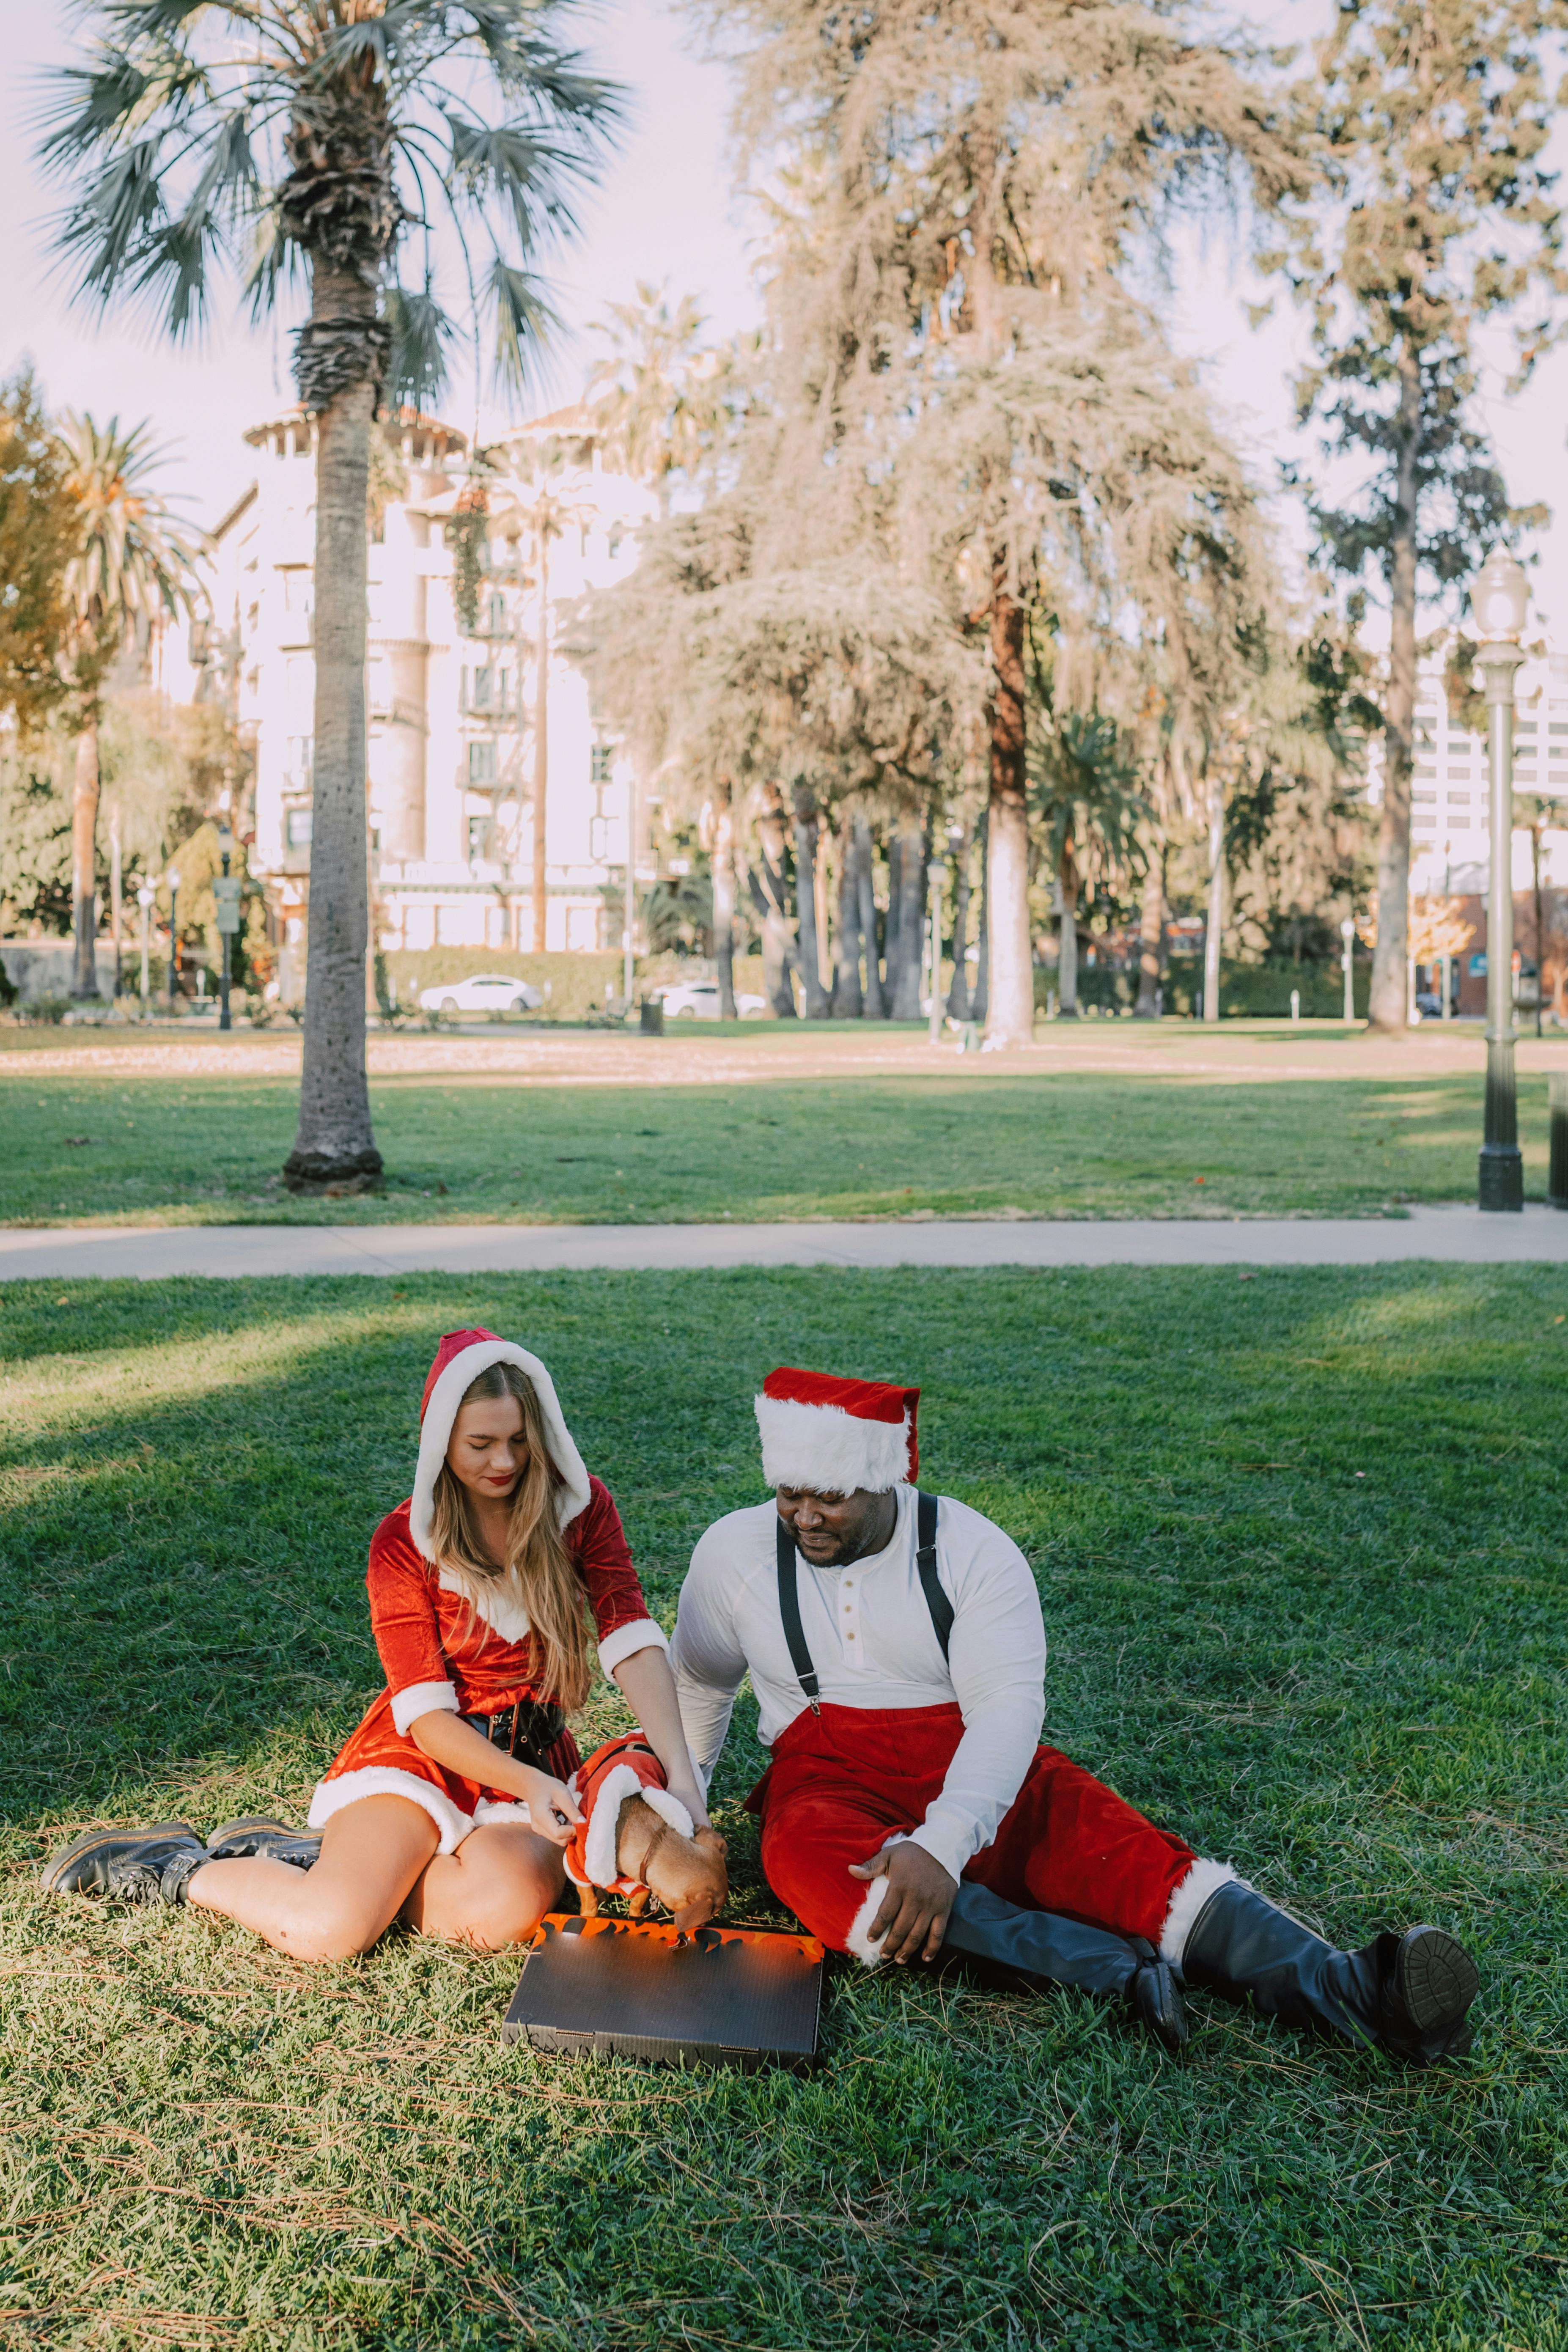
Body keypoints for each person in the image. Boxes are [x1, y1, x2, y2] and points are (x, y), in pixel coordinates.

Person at [669, 1364, 1480, 2063]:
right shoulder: (734, 1554)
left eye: (830, 1498)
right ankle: (1113, 1972)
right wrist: (688, 1810)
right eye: (789, 1494)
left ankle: (1352, 1991)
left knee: (1126, 1860)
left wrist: (943, 1845)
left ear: (884, 1479)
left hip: (975, 1760)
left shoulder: (973, 1552)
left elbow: (1007, 1715)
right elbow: (699, 1685)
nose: (805, 1516)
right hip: (826, 1783)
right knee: (809, 1868)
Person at [44, 1329, 708, 1962]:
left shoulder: (581, 1509)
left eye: (518, 1440)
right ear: (439, 1441)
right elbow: (424, 1716)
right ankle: (178, 1867)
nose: (504, 1462)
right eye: (480, 1443)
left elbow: (632, 1637)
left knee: (505, 1910)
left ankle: (324, 1862)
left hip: (534, 1757)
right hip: (427, 1755)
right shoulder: (402, 1544)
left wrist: (682, 1774)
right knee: (331, 1931)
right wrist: (529, 1785)